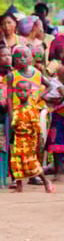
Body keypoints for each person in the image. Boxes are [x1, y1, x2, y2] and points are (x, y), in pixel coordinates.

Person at [10, 80, 54, 193]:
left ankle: (46, 182)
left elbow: (37, 130)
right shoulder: (16, 108)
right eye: (19, 90)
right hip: (17, 139)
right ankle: (19, 186)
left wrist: (39, 144)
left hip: (29, 140)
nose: (22, 93)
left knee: (31, 162)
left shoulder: (32, 109)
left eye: (25, 90)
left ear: (30, 92)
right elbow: (13, 126)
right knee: (16, 162)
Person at [0, 45, 12, 188]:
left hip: (8, 116)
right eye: (3, 55)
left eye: (9, 55)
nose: (7, 58)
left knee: (5, 148)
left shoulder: (14, 75)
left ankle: (5, 179)